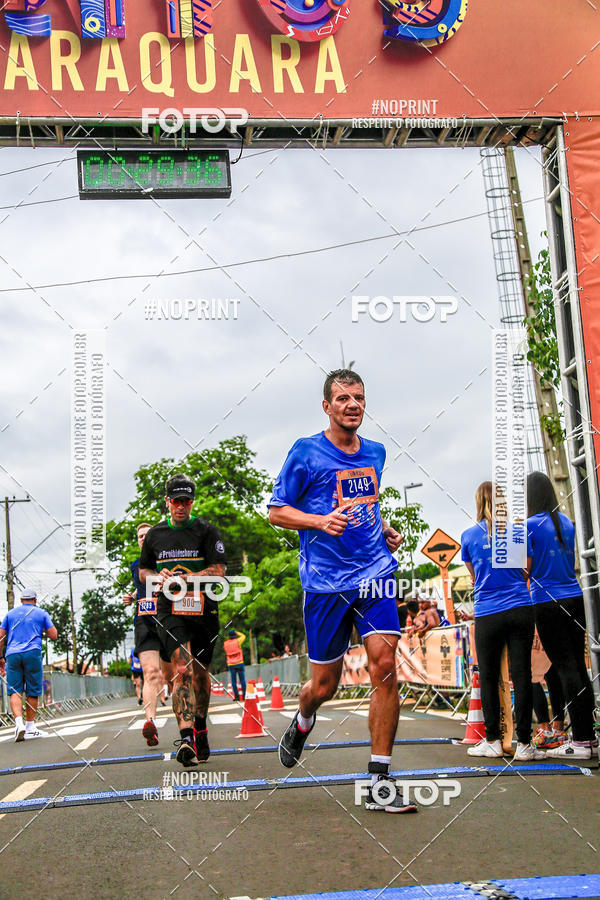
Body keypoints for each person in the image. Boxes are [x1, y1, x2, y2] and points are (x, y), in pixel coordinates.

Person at [269, 369, 416, 813]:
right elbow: (276, 511)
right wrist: (318, 522)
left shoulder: (376, 451)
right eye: (343, 398)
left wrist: (384, 528)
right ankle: (303, 718)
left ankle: (379, 781)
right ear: (327, 406)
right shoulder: (305, 452)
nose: (352, 405)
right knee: (324, 685)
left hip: (375, 573)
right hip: (325, 584)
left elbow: (365, 500)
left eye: (359, 398)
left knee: (385, 664)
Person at [139, 474, 227, 767]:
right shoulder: (154, 536)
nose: (181, 506)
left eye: (186, 501)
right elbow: (144, 572)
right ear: (167, 502)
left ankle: (200, 725)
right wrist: (159, 577)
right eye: (176, 501)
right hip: (169, 608)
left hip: (203, 607)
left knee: (201, 674)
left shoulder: (206, 531)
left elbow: (218, 571)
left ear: (192, 501)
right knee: (181, 669)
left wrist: (188, 578)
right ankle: (186, 738)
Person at [461, 481, 544, 761]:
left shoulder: (469, 535)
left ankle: (494, 740)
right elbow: (526, 571)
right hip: (520, 606)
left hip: (487, 612)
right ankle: (523, 743)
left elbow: (474, 575)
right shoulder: (519, 532)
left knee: (488, 675)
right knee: (522, 676)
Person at [526, 471, 597, 758]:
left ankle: (580, 740)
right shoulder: (566, 522)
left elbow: (525, 570)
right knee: (578, 666)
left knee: (566, 667)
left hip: (547, 601)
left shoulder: (528, 526)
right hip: (574, 597)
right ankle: (588, 736)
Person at [123, 522, 175, 747]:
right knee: (150, 673)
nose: (143, 538)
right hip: (144, 621)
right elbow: (143, 585)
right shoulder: (136, 565)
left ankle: (185, 718)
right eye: (140, 536)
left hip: (169, 621)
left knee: (173, 676)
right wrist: (133, 597)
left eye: (147, 534)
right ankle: (151, 724)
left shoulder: (168, 559)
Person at [0, 589, 57, 742]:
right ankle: (30, 727)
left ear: (20, 600)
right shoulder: (41, 613)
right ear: (35, 600)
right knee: (32, 690)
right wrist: (41, 629)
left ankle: (19, 724)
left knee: (14, 690)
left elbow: (0, 637)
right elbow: (54, 634)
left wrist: (0, 658)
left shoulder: (10, 614)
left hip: (12, 654)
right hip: (32, 652)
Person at [224, 629, 246, 701]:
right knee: (242, 680)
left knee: (233, 681)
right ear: (235, 635)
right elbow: (243, 636)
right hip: (239, 663)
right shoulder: (238, 641)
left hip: (231, 664)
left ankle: (236, 697)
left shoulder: (225, 643)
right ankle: (244, 695)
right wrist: (237, 632)